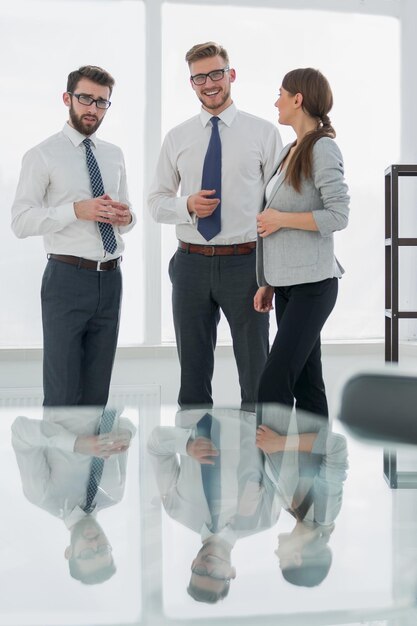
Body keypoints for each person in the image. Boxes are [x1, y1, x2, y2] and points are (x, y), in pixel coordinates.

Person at [148, 42, 282, 410]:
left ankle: (258, 464)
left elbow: (277, 205)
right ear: (191, 82)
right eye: (199, 77)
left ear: (231, 75)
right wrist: (187, 205)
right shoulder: (177, 137)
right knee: (192, 376)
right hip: (190, 263)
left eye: (216, 74)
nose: (209, 83)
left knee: (257, 373)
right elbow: (156, 203)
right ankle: (195, 464)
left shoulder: (264, 133)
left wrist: (270, 274)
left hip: (246, 263)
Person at [11, 65, 135, 407]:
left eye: (101, 102)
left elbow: (124, 216)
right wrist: (75, 210)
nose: (93, 108)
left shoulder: (114, 155)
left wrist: (127, 217)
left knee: (97, 394)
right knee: (63, 392)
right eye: (85, 99)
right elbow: (20, 222)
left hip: (111, 279)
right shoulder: (42, 155)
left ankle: (93, 463)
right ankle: (62, 460)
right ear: (68, 99)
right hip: (66, 278)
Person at [254, 68, 349, 418]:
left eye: (280, 93)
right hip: (288, 286)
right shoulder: (288, 150)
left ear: (298, 99)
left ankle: (269, 468)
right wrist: (267, 282)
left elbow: (338, 216)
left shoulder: (323, 148)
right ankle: (316, 472)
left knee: (272, 385)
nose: (275, 101)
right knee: (308, 385)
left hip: (315, 284)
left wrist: (281, 219)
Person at [147, 408, 280, 603]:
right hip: (250, 409)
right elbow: (278, 462)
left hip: (196, 406)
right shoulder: (265, 519)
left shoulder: (176, 510)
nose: (208, 566)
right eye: (216, 575)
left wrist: (187, 445)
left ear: (193, 563)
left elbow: (155, 444)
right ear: (232, 573)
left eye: (200, 571)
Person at [11, 407, 135, 584]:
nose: (94, 545)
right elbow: (123, 423)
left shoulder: (42, 496)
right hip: (114, 395)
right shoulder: (115, 495)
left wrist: (77, 444)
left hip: (68, 396)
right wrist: (126, 434)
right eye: (102, 551)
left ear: (69, 552)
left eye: (86, 554)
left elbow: (20, 431)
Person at [256, 404, 348, 586]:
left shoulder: (288, 506)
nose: (276, 553)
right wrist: (278, 443)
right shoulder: (324, 513)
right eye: (281, 560)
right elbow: (336, 446)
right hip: (301, 404)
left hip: (271, 406)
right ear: (297, 558)